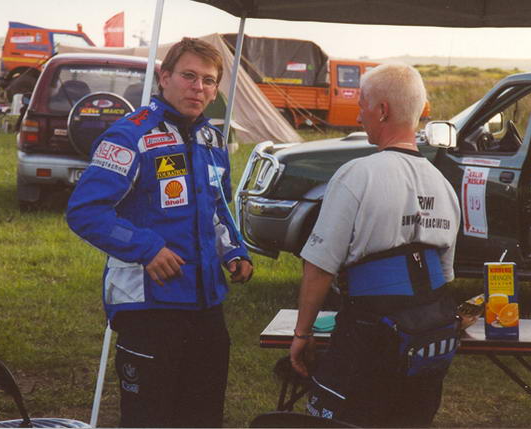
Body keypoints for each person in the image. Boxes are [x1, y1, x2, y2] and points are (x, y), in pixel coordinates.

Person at [67, 37, 253, 428]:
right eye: (188, 76)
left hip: (206, 305)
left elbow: (217, 208)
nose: (198, 88)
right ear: (164, 77)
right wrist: (147, 248)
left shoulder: (212, 140)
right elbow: (85, 211)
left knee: (203, 418)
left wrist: (234, 250)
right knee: (149, 419)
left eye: (208, 80)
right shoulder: (129, 136)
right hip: (149, 307)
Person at [290, 63, 461, 428]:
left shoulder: (357, 175)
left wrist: (302, 333)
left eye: (362, 105)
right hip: (425, 350)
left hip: (368, 344)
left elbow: (319, 267)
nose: (358, 115)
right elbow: (444, 276)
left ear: (382, 110)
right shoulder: (444, 185)